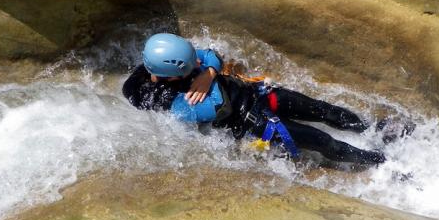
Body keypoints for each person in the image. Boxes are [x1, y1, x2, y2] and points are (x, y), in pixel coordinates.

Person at [123, 33, 412, 166]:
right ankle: (384, 163)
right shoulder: (162, 99)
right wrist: (208, 73)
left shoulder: (164, 56)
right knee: (325, 143)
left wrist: (209, 72)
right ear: (170, 75)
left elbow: (210, 54)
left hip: (258, 95)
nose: (195, 62)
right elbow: (214, 107)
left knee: (324, 110)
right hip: (256, 123)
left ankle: (374, 129)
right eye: (190, 65)